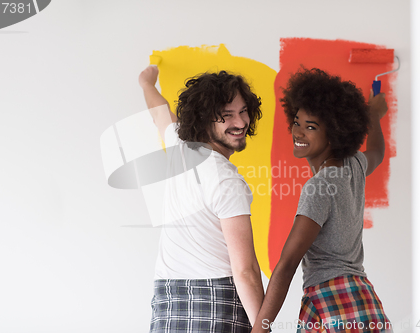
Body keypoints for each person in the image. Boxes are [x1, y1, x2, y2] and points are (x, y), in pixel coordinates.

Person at [251, 68, 392, 333]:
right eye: (297, 122)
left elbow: (287, 264)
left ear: (335, 133)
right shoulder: (353, 167)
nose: (298, 132)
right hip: (364, 301)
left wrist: (261, 328)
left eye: (311, 127)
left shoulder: (319, 187)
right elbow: (377, 152)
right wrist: (374, 115)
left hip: (331, 302)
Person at [138, 65, 264, 333]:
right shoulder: (226, 179)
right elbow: (246, 271)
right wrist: (263, 328)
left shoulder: (179, 149)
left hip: (168, 304)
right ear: (205, 119)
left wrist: (146, 82)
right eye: (227, 116)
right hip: (217, 304)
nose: (241, 123)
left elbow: (159, 111)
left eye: (243, 112)